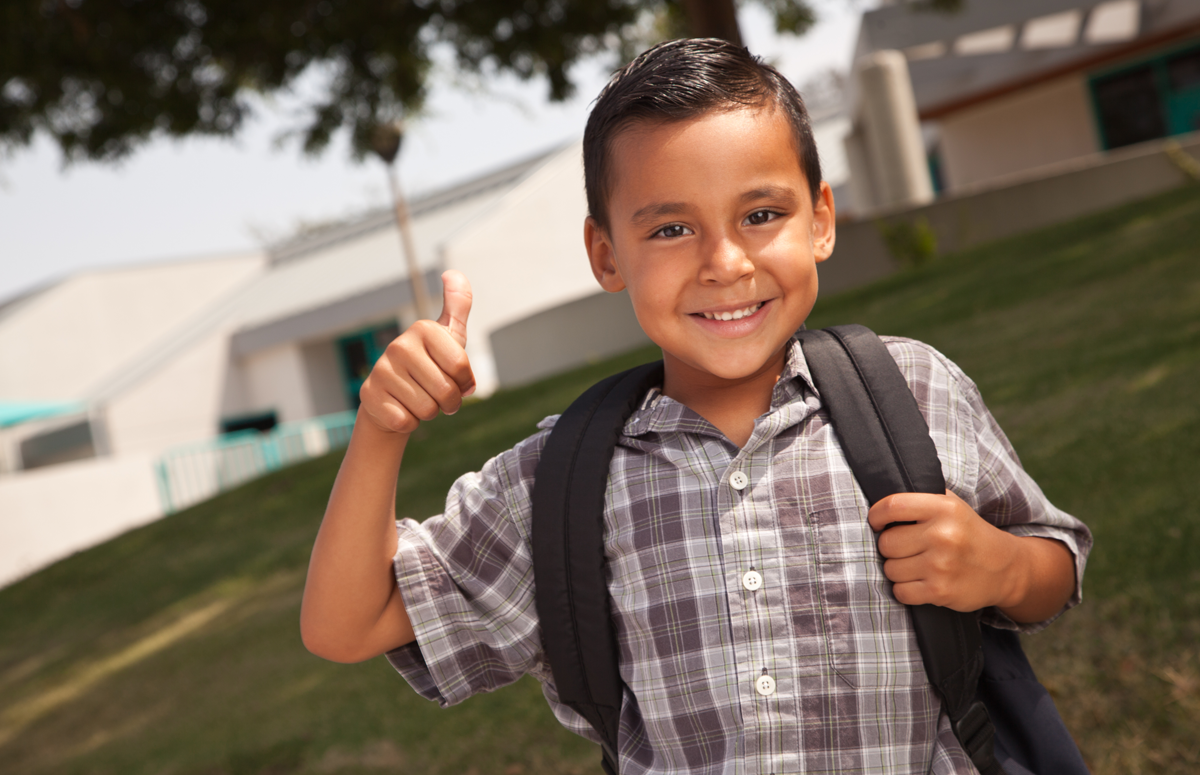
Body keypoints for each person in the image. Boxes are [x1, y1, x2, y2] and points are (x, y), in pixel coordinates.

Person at [300, 38, 1092, 774]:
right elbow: (347, 624)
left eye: (760, 215)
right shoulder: (559, 485)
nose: (724, 263)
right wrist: (382, 428)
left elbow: (1053, 561)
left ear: (820, 219)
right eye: (672, 228)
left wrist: (1004, 565)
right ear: (606, 253)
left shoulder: (913, 391)